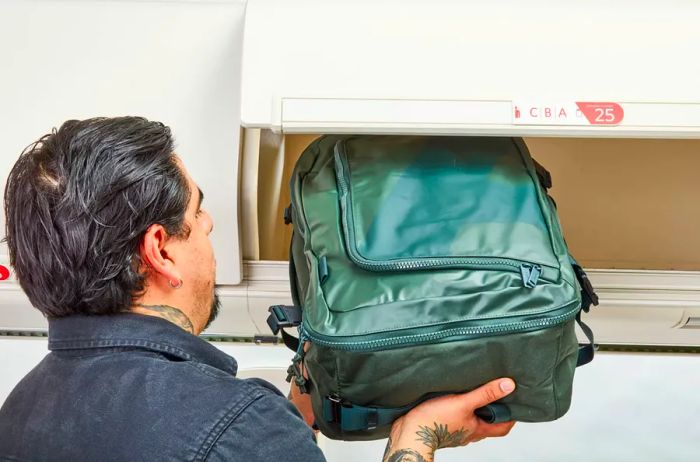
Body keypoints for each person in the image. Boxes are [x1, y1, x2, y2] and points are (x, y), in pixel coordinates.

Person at [0, 117, 515, 462]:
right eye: (196, 211)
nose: (209, 224)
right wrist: (416, 438)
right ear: (159, 250)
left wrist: (297, 404)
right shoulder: (236, 426)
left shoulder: (21, 413)